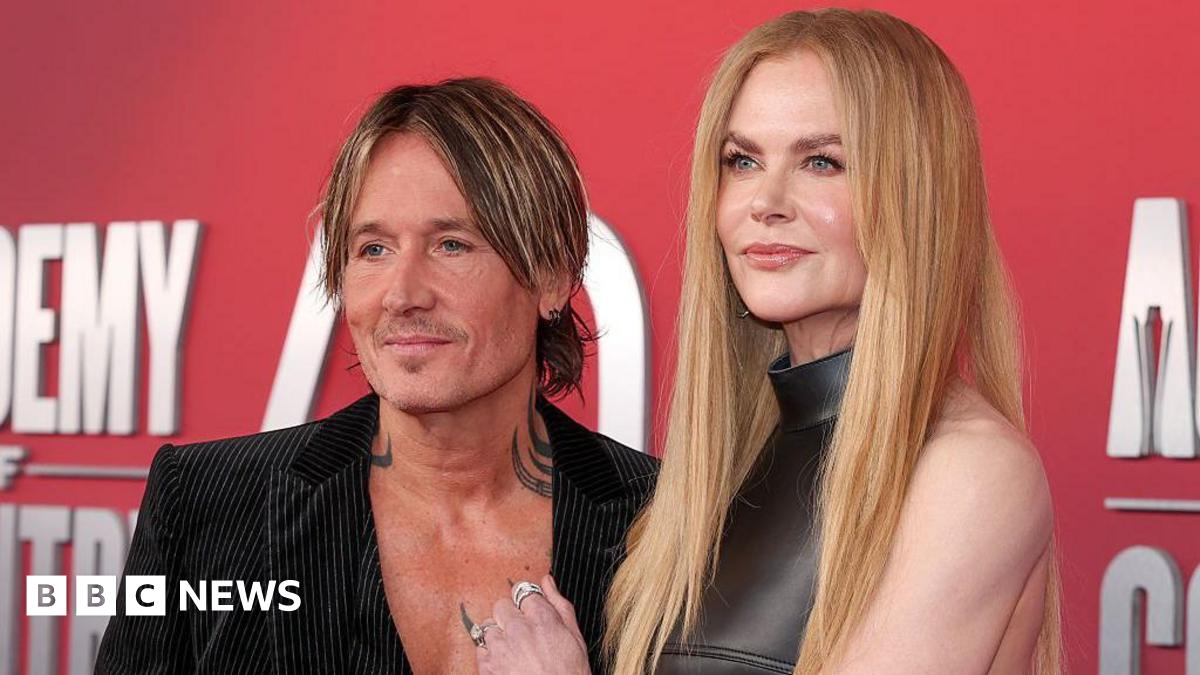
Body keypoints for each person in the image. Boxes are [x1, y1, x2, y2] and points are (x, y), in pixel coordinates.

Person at [478, 9, 1061, 675]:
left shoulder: (968, 470)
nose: (767, 200)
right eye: (743, 160)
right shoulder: (722, 470)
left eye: (821, 161)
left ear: (916, 192)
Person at [95, 77, 657, 674]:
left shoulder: (668, 520)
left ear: (552, 276)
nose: (403, 295)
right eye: (373, 250)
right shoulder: (204, 504)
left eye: (451, 245)